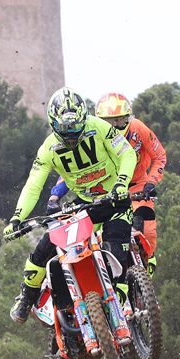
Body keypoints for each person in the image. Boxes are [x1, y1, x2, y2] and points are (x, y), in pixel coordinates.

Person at [5, 87, 137, 322]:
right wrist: (17, 217)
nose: (72, 135)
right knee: (46, 246)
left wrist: (121, 185)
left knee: (117, 247)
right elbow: (34, 185)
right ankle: (26, 296)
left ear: (84, 118)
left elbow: (127, 154)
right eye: (66, 130)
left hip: (114, 199)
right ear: (53, 124)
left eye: (77, 127)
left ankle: (122, 298)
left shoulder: (99, 127)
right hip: (84, 204)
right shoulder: (47, 149)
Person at [48, 92, 166, 275]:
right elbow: (72, 170)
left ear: (128, 117)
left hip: (136, 186)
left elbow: (159, 156)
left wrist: (150, 183)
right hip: (103, 190)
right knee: (88, 236)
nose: (115, 126)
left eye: (120, 120)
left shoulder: (138, 128)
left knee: (147, 229)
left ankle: (147, 262)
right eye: (109, 121)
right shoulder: (90, 133)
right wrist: (56, 194)